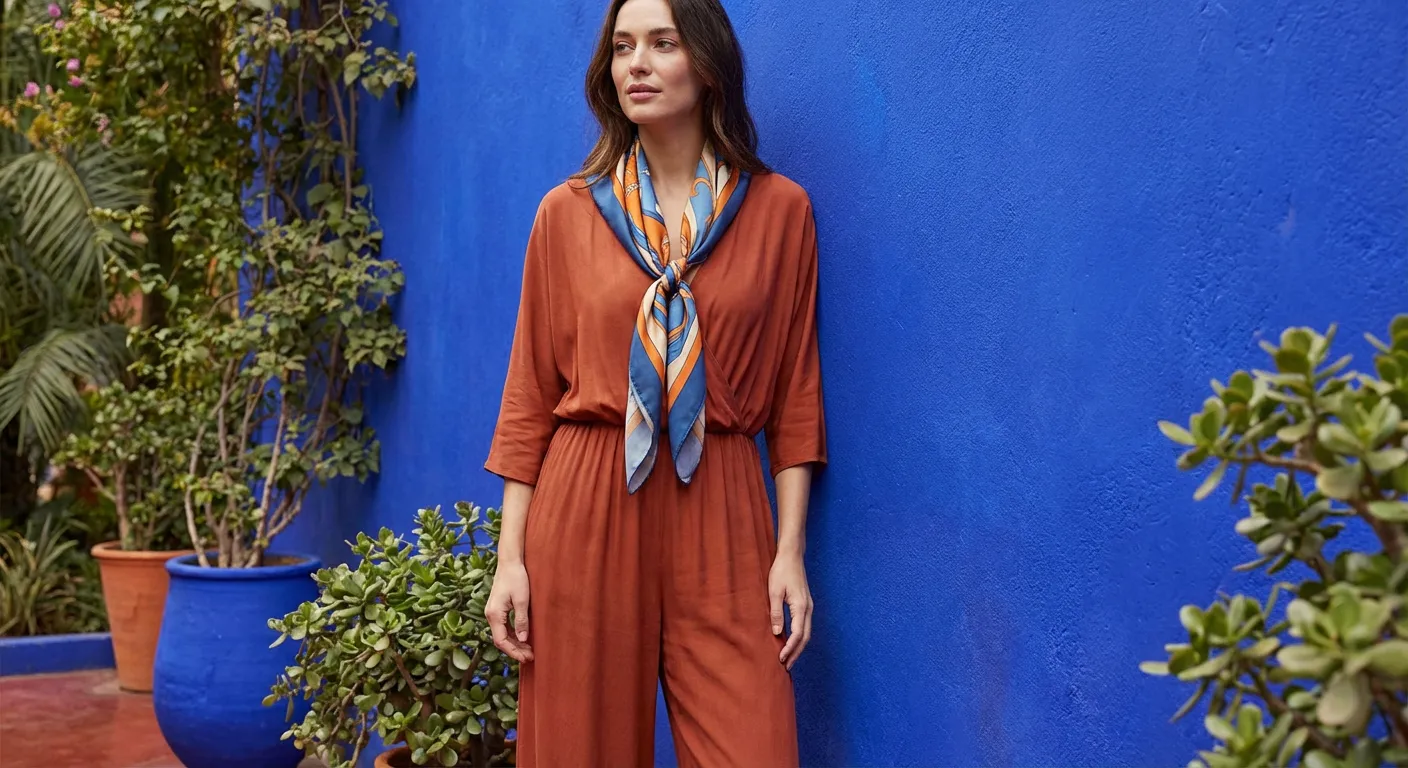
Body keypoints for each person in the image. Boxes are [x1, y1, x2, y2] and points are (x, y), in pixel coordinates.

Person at [483, 0, 827, 764]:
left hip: (726, 501)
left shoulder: (779, 212)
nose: (636, 63)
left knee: (754, 744)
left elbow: (797, 397)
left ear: (706, 65)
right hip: (587, 499)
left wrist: (789, 552)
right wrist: (511, 559)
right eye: (623, 47)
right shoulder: (564, 216)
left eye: (662, 44)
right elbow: (528, 400)